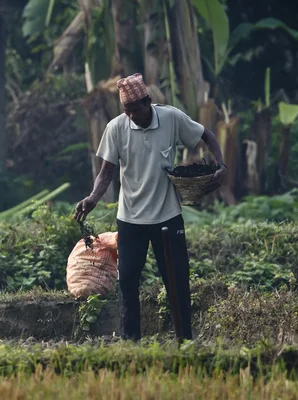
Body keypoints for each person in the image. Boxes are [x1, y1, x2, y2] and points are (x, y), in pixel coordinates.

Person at [74, 73, 226, 341]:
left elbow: (206, 135)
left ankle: (184, 341)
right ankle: (131, 343)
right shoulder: (116, 128)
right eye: (126, 110)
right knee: (128, 283)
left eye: (135, 109)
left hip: (168, 216)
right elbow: (105, 173)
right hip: (131, 220)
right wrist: (92, 198)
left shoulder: (171, 118)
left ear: (148, 102)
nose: (131, 115)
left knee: (177, 282)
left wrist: (221, 165)